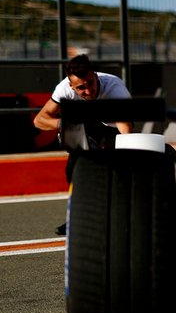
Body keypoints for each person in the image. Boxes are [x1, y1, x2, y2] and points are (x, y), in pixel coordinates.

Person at [33, 54, 133, 234]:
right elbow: (39, 120)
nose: (88, 91)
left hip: (112, 128)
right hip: (84, 127)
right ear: (71, 86)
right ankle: (77, 218)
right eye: (81, 88)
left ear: (95, 75)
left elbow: (125, 127)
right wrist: (64, 125)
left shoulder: (114, 89)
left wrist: (126, 156)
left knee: (116, 170)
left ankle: (121, 214)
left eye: (90, 84)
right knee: (74, 168)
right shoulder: (64, 88)